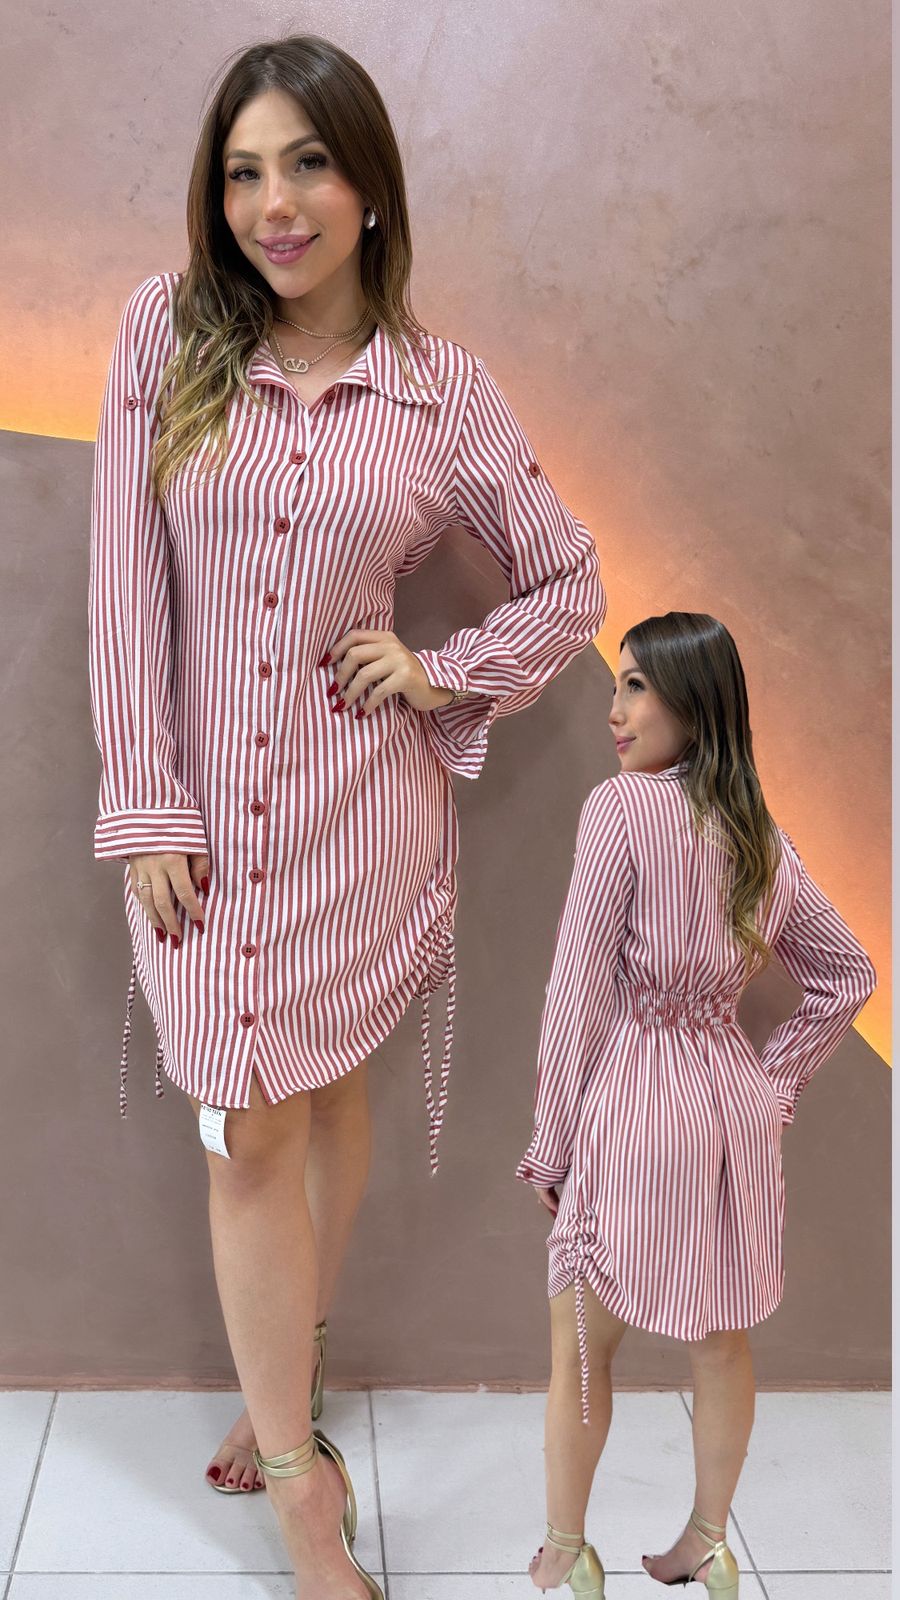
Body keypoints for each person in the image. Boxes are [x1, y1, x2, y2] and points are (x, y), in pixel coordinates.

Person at [87, 33, 606, 1600]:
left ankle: (288, 1366)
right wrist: (145, 802)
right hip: (203, 831)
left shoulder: (443, 393)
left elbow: (568, 580)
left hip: (360, 827)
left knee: (321, 1093)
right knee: (247, 1124)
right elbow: (125, 590)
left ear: (369, 185)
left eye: (307, 164)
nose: (274, 203)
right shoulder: (164, 336)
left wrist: (447, 672)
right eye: (244, 172)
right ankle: (301, 1493)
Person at [516, 612, 876, 1599]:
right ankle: (709, 1546)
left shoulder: (620, 810)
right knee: (721, 1340)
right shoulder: (762, 834)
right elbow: (848, 974)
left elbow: (575, 989)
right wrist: (775, 1084)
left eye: (637, 685)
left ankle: (567, 1550)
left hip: (639, 1102)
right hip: (734, 1111)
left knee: (581, 1341)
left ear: (692, 699)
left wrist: (551, 1141)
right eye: (618, 684)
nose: (615, 708)